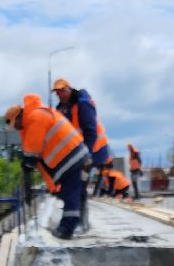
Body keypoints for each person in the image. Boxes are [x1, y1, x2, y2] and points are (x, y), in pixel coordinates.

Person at [6, 94, 90, 239]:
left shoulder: (35, 117)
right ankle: (81, 224)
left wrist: (26, 163)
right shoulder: (34, 119)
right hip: (75, 159)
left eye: (15, 124)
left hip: (72, 160)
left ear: (19, 116)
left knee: (71, 195)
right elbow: (39, 163)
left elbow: (32, 155)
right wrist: (53, 187)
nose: (17, 128)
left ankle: (67, 229)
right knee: (75, 194)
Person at [53, 78, 111, 169]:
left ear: (69, 89)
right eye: (57, 92)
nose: (60, 95)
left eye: (62, 91)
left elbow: (90, 133)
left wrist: (85, 156)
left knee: (87, 181)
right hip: (82, 152)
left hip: (95, 151)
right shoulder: (62, 109)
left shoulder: (83, 104)